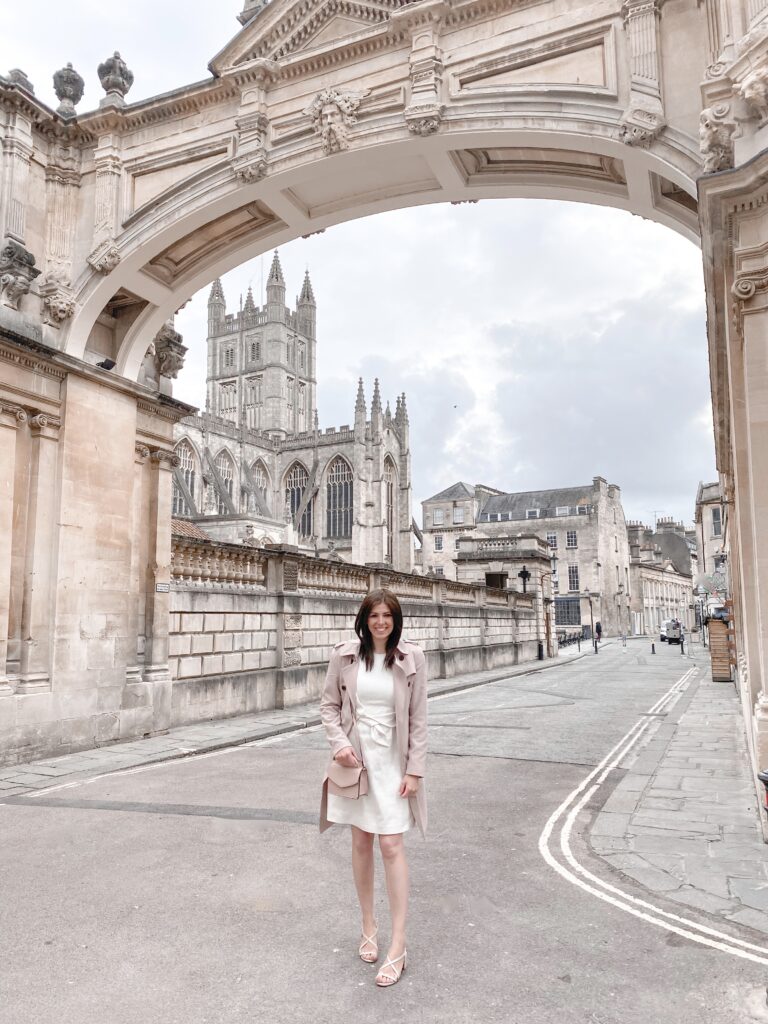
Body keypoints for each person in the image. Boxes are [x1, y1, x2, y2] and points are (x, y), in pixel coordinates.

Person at [319, 589, 427, 988]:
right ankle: (368, 925)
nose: (380, 622)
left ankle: (398, 945)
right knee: (361, 842)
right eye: (374, 615)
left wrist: (415, 770)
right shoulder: (345, 655)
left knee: (392, 845)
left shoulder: (411, 658)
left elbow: (419, 720)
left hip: (393, 762)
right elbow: (328, 706)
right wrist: (340, 744)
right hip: (358, 761)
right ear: (363, 619)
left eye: (387, 615)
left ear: (396, 620)